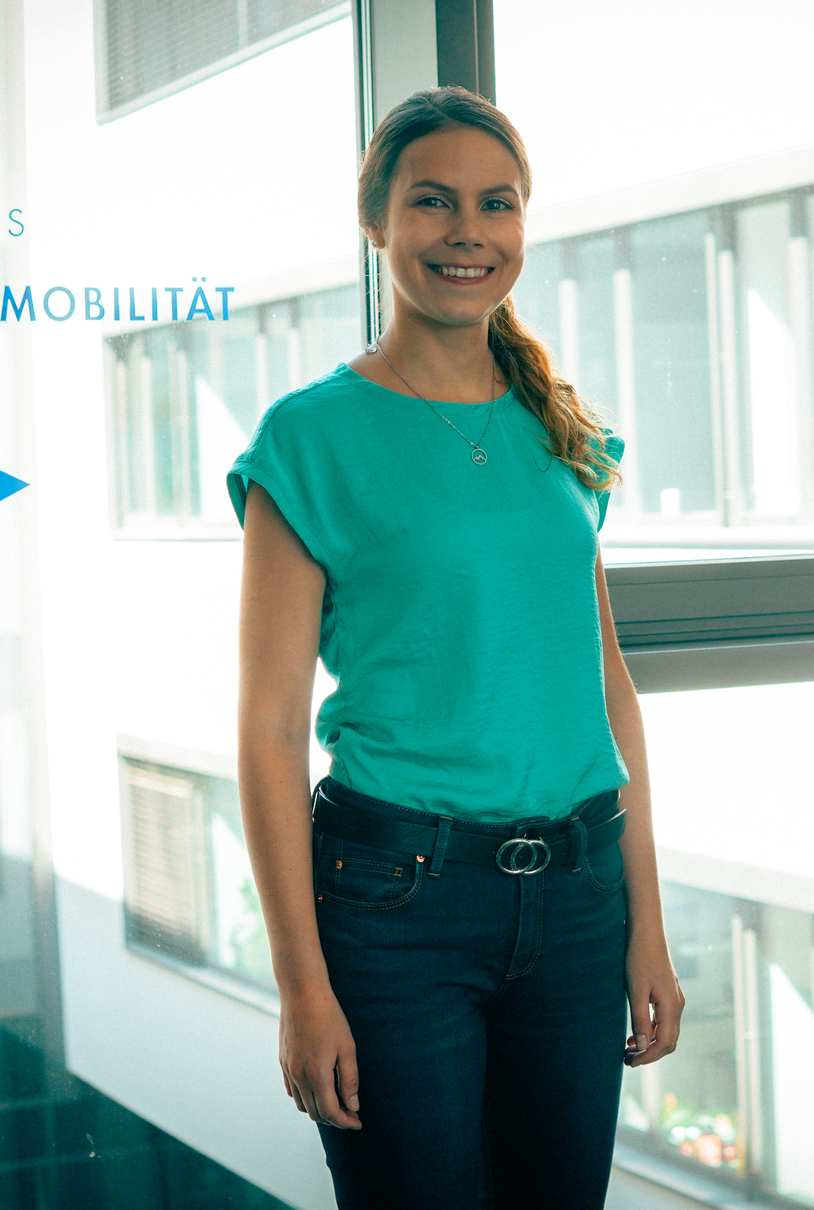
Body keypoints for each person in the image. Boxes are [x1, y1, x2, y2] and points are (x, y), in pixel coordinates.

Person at [229, 85, 684, 1209]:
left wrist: (646, 927)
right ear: (376, 221)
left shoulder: (559, 429)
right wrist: (301, 988)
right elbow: (269, 724)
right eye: (432, 202)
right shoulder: (309, 437)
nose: (467, 230)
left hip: (578, 904)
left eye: (497, 203)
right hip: (394, 910)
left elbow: (606, 694)